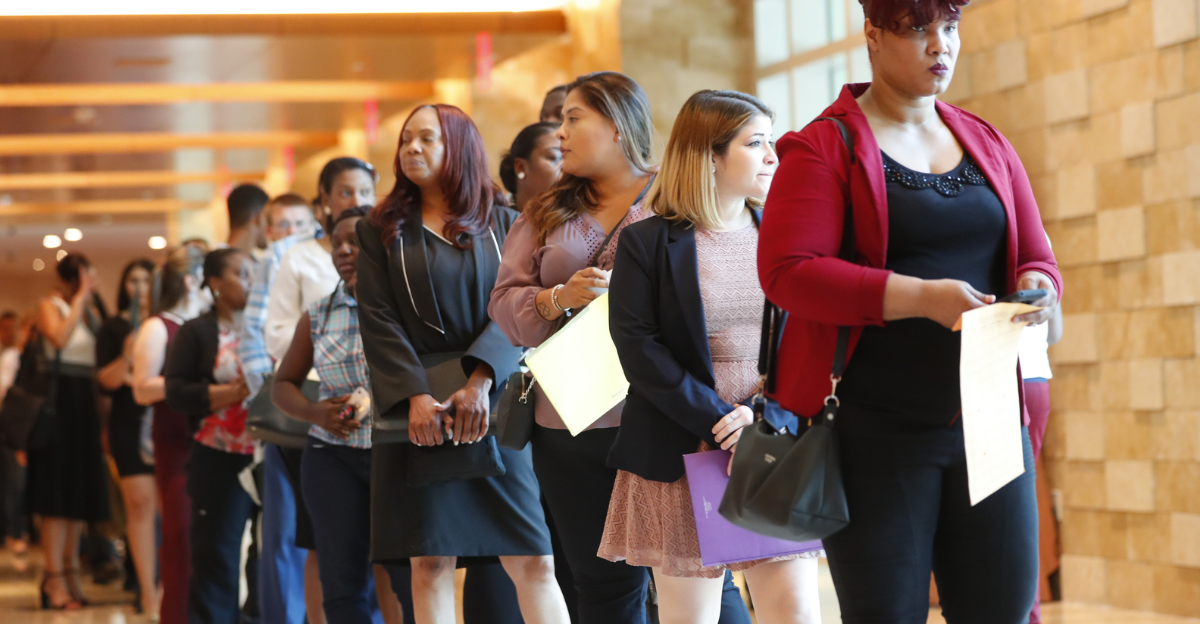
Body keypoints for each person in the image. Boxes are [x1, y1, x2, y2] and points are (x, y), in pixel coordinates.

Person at [757, 1, 1062, 622]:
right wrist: (921, 297)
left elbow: (1037, 256)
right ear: (872, 36)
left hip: (990, 419)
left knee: (1002, 611)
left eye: (949, 28)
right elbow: (788, 272)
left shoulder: (987, 142)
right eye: (918, 29)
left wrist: (1038, 284)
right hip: (875, 429)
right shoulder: (823, 145)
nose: (939, 45)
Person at [490, 72, 749, 624]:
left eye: (573, 118)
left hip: (671, 415)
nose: (560, 133)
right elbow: (503, 303)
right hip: (573, 422)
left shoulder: (676, 199)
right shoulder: (543, 212)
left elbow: (725, 287)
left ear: (615, 124)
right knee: (602, 588)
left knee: (705, 571)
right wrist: (557, 298)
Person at [602, 90, 821, 624]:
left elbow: (810, 339)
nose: (772, 156)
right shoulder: (646, 242)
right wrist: (721, 422)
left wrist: (760, 416)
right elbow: (638, 347)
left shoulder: (785, 235)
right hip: (681, 448)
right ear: (710, 155)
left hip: (771, 439)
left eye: (771, 142)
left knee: (796, 612)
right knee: (691, 618)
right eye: (756, 143)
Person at [357, 103, 568, 624]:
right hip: (420, 411)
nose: (412, 148)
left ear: (460, 146)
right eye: (406, 139)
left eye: (427, 138)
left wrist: (481, 381)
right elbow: (379, 320)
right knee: (429, 562)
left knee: (535, 559)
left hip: (496, 402)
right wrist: (415, 397)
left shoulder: (507, 221)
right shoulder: (381, 229)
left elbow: (520, 304)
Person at [272, 206, 416, 624]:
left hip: (398, 454)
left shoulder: (408, 306)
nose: (343, 250)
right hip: (332, 457)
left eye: (354, 241)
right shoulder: (318, 314)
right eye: (336, 244)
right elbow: (282, 385)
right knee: (341, 583)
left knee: (410, 576)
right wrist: (314, 413)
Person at [164, 248, 257, 624]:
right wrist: (231, 393)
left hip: (270, 453)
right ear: (215, 283)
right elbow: (176, 391)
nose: (251, 281)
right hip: (217, 454)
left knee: (271, 553)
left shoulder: (271, 325)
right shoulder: (196, 331)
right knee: (217, 552)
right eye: (241, 274)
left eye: (254, 273)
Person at [133, 245, 209, 624]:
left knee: (206, 541)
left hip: (210, 440)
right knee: (180, 536)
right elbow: (141, 388)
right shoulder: (158, 326)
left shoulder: (207, 322)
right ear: (191, 281)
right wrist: (192, 386)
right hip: (176, 441)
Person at [29, 253, 111, 610]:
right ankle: (53, 577)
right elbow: (59, 338)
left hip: (84, 407)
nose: (91, 285)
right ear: (70, 281)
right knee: (56, 497)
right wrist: (78, 300)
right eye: (85, 279)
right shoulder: (50, 305)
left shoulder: (92, 313)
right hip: (57, 407)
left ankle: (71, 572)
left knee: (77, 498)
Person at [96, 258, 159, 617]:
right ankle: (147, 592)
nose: (140, 288)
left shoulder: (164, 324)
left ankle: (167, 588)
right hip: (128, 424)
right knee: (139, 507)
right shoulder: (114, 327)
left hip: (164, 423)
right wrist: (127, 353)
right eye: (133, 280)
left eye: (146, 280)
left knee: (171, 508)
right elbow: (106, 381)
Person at [0, 310, 28, 555]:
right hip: (6, 425)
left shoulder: (19, 358)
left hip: (13, 427)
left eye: (13, 328)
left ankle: (14, 532)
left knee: (13, 482)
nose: (9, 333)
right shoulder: (7, 357)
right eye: (5, 328)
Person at [499, 122, 563, 212]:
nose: (567, 167)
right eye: (556, 157)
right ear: (521, 167)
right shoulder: (493, 219)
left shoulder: (580, 217)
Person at [226, 183, 271, 255]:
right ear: (259, 218)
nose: (271, 227)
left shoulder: (251, 259)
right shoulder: (219, 260)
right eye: (268, 218)